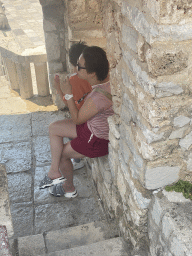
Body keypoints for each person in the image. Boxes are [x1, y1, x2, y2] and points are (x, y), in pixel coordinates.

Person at [39, 46, 114, 199]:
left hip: (95, 139)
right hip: (90, 127)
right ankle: (54, 171)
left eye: (79, 67)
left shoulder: (98, 97)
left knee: (61, 155)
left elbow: (77, 118)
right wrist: (62, 91)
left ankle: (68, 188)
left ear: (92, 73)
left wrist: (67, 94)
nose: (76, 68)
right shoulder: (105, 83)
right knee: (53, 128)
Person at [55, 41, 92, 170]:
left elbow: (67, 102)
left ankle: (76, 158)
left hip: (83, 118)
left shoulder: (72, 81)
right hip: (94, 114)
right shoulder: (93, 75)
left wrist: (58, 88)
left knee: (70, 124)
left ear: (72, 62)